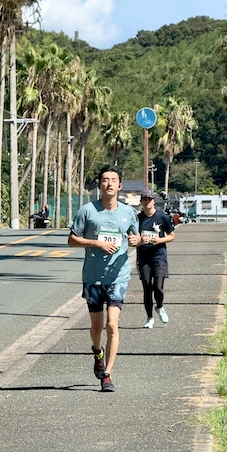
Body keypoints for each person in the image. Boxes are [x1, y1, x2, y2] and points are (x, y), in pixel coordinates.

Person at [68, 165, 141, 392]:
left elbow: (135, 236)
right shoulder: (88, 211)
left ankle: (107, 375)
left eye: (113, 180)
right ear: (100, 185)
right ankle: (97, 352)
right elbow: (72, 240)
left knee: (112, 324)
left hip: (118, 276)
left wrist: (136, 240)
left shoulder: (128, 213)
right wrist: (96, 243)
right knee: (96, 327)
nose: (109, 184)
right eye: (105, 180)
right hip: (93, 277)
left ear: (120, 186)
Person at [136, 188, 176, 328]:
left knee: (158, 286)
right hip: (143, 258)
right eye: (144, 199)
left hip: (159, 256)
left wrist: (159, 240)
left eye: (149, 199)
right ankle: (149, 318)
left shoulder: (162, 217)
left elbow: (172, 235)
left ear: (154, 201)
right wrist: (141, 240)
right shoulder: (138, 219)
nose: (147, 202)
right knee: (147, 287)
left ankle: (159, 306)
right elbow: (132, 239)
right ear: (141, 202)